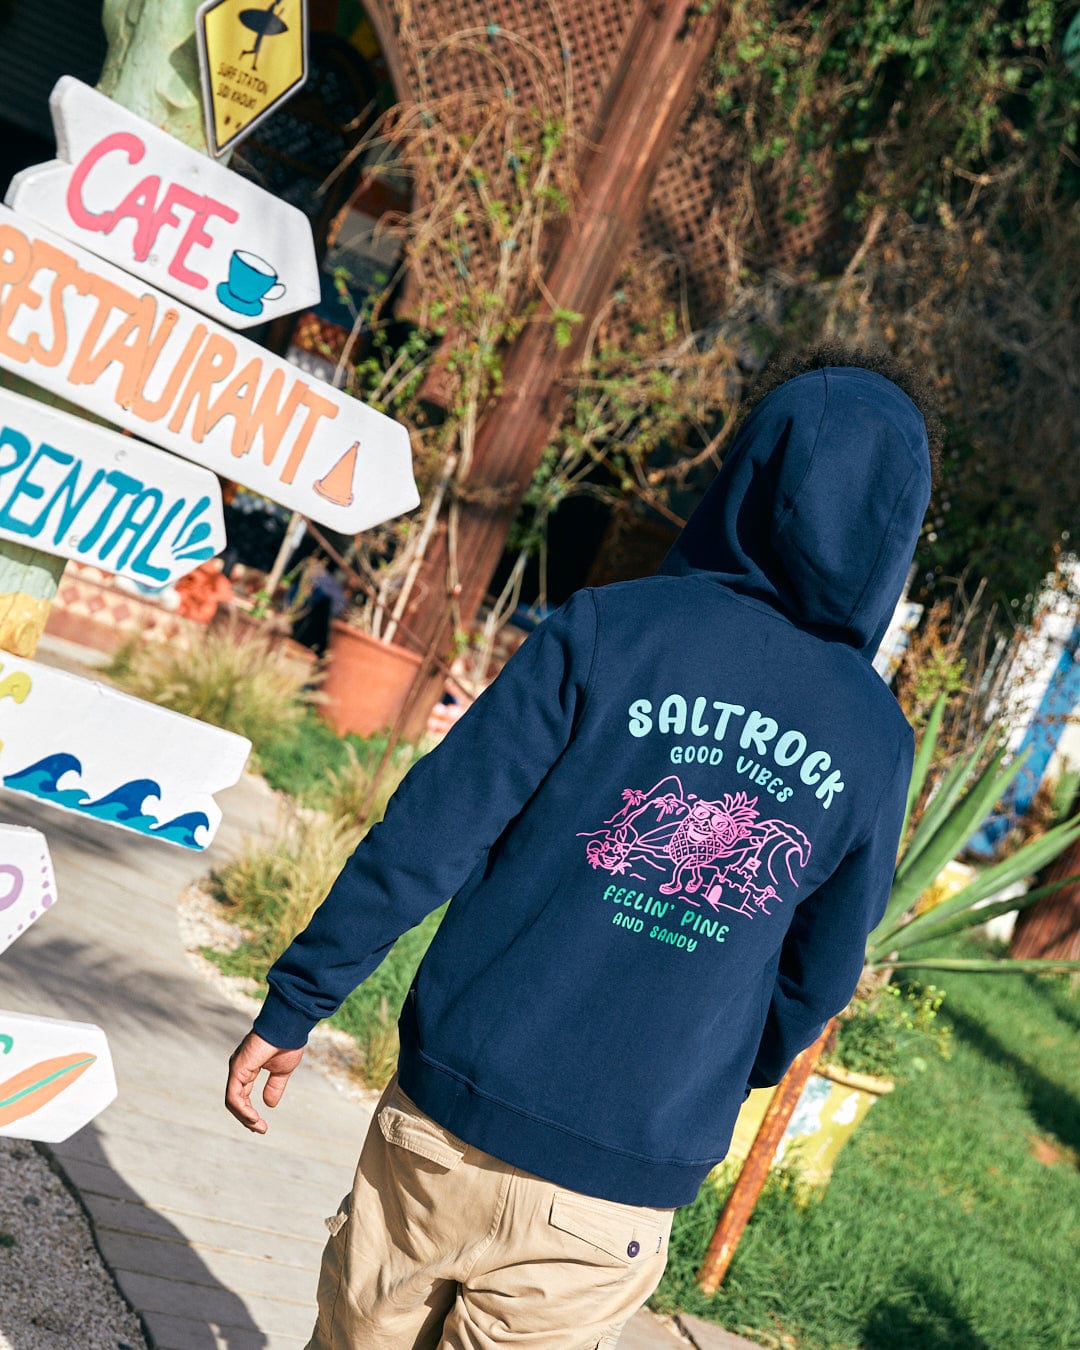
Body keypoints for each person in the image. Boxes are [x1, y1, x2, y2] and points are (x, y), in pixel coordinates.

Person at [226, 342, 941, 1348]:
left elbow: (428, 833)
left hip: (445, 1127)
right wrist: (713, 1067)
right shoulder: (873, 739)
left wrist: (299, 1000)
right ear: (891, 532)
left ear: (747, 476)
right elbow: (818, 979)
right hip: (617, 1184)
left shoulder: (610, 628)